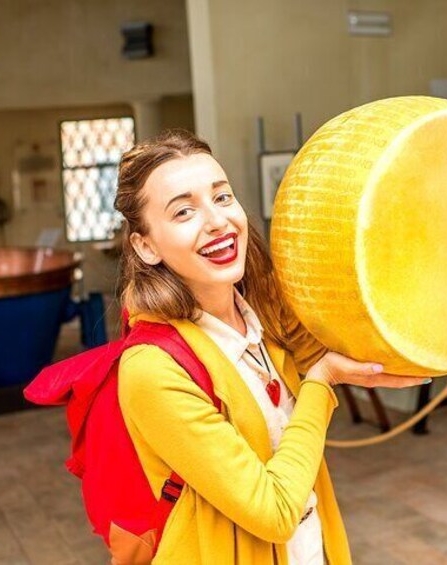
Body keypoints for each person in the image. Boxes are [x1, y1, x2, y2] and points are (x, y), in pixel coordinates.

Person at [114, 129, 429, 565]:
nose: (217, 222)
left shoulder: (265, 318)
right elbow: (275, 511)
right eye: (184, 211)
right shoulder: (152, 369)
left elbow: (347, 345)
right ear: (145, 246)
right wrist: (322, 383)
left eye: (222, 198)